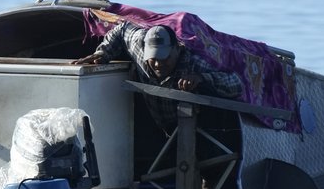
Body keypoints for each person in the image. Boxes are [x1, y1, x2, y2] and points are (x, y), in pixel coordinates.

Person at [73, 22, 244, 131]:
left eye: (165, 58)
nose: (157, 65)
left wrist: (202, 78)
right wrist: (103, 53)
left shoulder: (193, 63)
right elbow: (122, 29)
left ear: (177, 49)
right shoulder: (138, 44)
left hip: (194, 128)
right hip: (155, 123)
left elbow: (236, 84)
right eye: (153, 59)